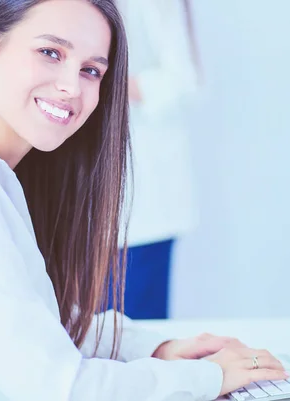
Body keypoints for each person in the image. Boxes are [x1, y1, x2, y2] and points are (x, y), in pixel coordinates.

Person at [0, 1, 288, 399]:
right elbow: (61, 388)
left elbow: (30, 319)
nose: (72, 87)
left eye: (91, 70)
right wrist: (208, 378)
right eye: (50, 53)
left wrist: (157, 350)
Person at [112, 0, 203, 319]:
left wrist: (97, 78)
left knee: (135, 331)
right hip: (91, 194)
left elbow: (184, 80)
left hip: (144, 204)